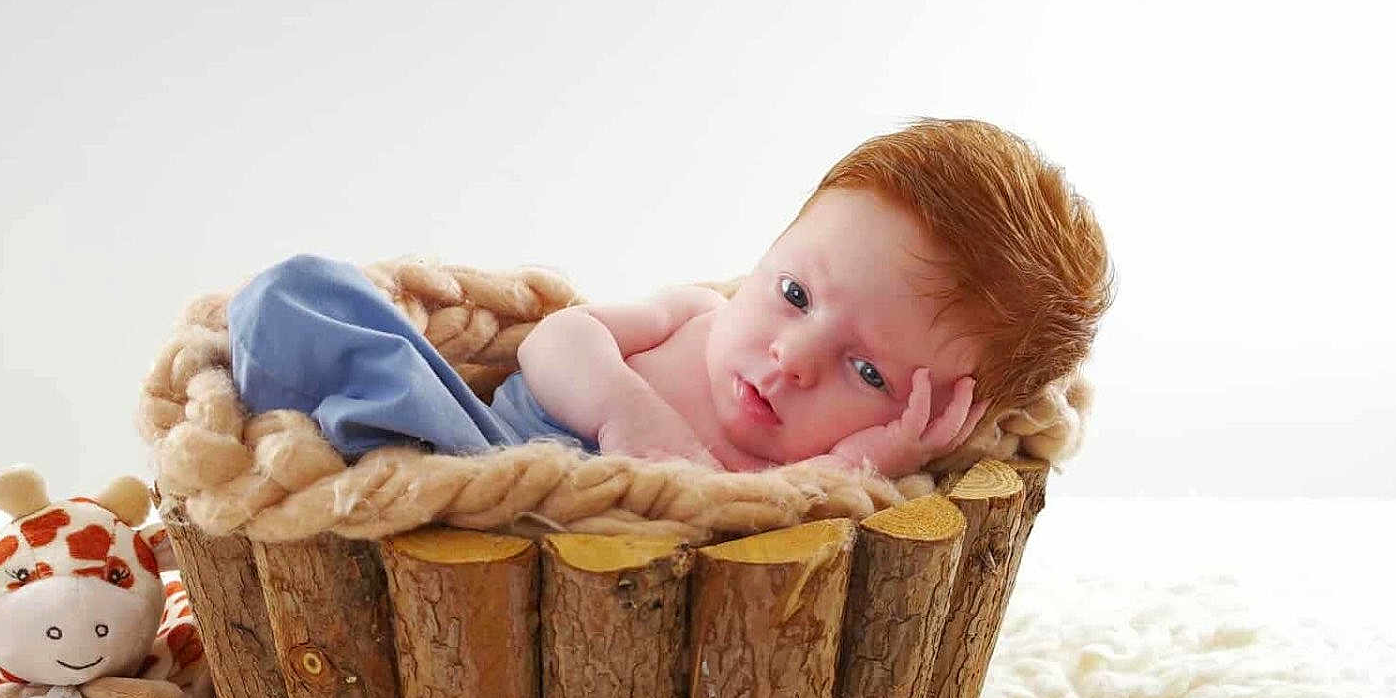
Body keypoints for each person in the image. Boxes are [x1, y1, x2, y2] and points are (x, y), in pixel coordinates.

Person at [227, 118, 1113, 479]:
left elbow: (793, 525)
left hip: (557, 560)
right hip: (481, 449)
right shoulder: (696, 315)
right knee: (298, 296)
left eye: (870, 371)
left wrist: (872, 459)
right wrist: (624, 412)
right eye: (796, 292)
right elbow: (552, 340)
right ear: (766, 253)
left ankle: (359, 462)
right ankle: (363, 453)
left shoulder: (797, 474)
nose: (794, 358)